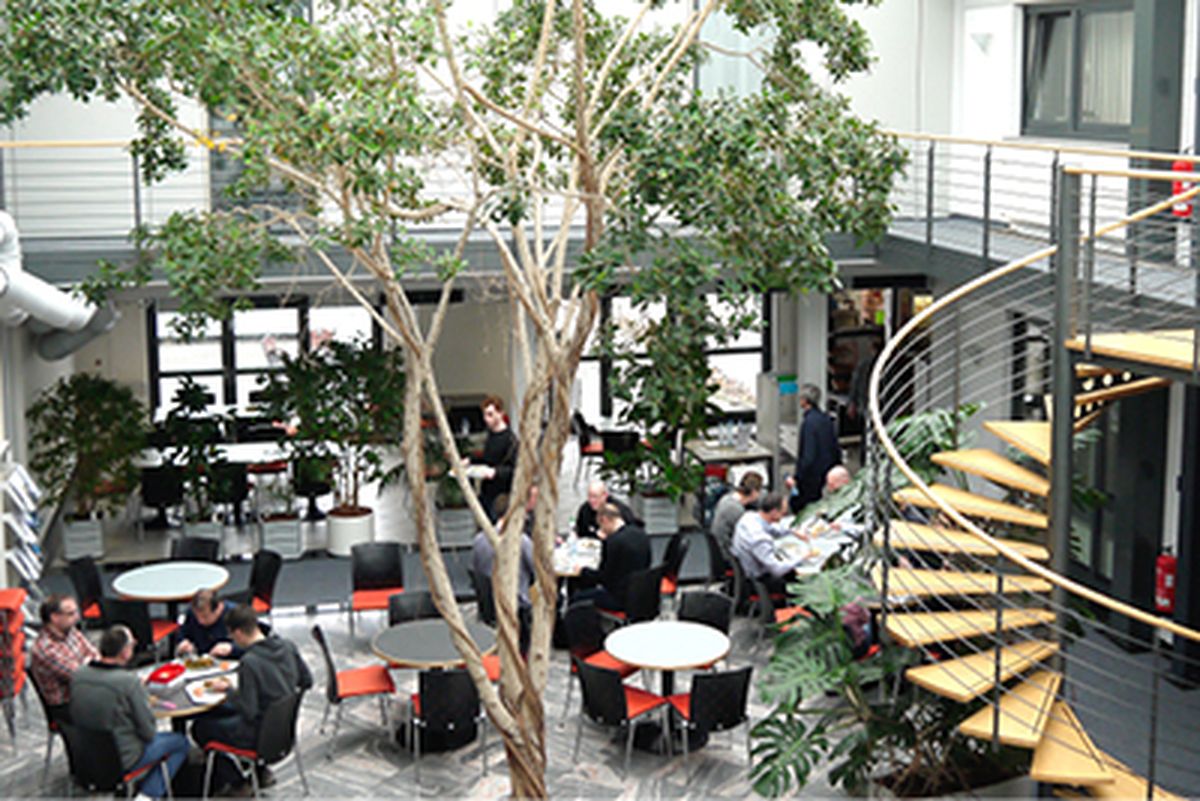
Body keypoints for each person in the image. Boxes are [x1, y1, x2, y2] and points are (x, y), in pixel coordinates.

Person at [191, 604, 312, 794]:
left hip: (258, 735)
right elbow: (307, 681)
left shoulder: (250, 662)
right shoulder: (288, 646)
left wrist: (231, 691)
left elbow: (249, 711)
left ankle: (238, 783)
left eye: (231, 636)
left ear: (238, 633)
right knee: (223, 713)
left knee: (201, 727)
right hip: (284, 730)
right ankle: (260, 772)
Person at [70, 626, 189, 801]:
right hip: (122, 757)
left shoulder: (78, 675)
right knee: (180, 742)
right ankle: (148, 795)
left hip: (85, 755)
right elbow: (148, 732)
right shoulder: (128, 683)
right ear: (125, 652)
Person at [30, 594, 98, 724]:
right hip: (66, 706)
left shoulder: (70, 631)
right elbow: (80, 676)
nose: (77, 617)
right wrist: (87, 662)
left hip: (83, 691)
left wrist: (86, 663)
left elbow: (94, 653)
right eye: (71, 613)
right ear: (55, 617)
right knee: (117, 705)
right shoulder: (46, 649)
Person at [574, 503, 651, 611]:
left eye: (601, 526)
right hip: (641, 593)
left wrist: (583, 571)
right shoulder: (640, 533)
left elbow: (603, 578)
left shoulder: (613, 542)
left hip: (620, 597)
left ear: (605, 520)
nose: (601, 530)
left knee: (577, 597)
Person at [731, 492, 810, 596]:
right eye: (783, 513)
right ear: (774, 512)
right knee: (799, 582)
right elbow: (778, 570)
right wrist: (803, 557)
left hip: (745, 570)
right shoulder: (759, 538)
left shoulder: (749, 517)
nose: (783, 516)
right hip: (758, 581)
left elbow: (773, 529)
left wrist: (793, 531)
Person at [472, 495, 536, 610]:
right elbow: (537, 569)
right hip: (517, 602)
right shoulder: (521, 540)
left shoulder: (479, 540)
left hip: (490, 603)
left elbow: (477, 568)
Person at [788, 383, 842, 514]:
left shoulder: (808, 423)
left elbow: (808, 456)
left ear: (804, 401)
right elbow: (835, 447)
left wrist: (797, 478)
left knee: (801, 508)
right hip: (827, 474)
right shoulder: (827, 419)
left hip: (811, 479)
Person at [477, 395, 518, 521]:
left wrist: (495, 472)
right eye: (484, 415)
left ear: (500, 414)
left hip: (501, 495)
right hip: (486, 492)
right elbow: (487, 459)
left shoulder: (510, 440)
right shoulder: (490, 436)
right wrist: (470, 461)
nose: (486, 419)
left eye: (490, 414)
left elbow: (513, 469)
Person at [177, 589, 240, 659]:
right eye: (197, 617)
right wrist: (184, 643)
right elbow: (183, 634)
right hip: (200, 659)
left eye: (205, 617)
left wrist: (232, 648)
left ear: (219, 608)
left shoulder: (236, 615)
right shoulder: (190, 613)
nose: (200, 621)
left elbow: (251, 644)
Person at [711, 471, 764, 552]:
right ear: (753, 492)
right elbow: (749, 537)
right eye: (759, 491)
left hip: (717, 545)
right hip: (725, 552)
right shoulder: (735, 509)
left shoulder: (728, 497)